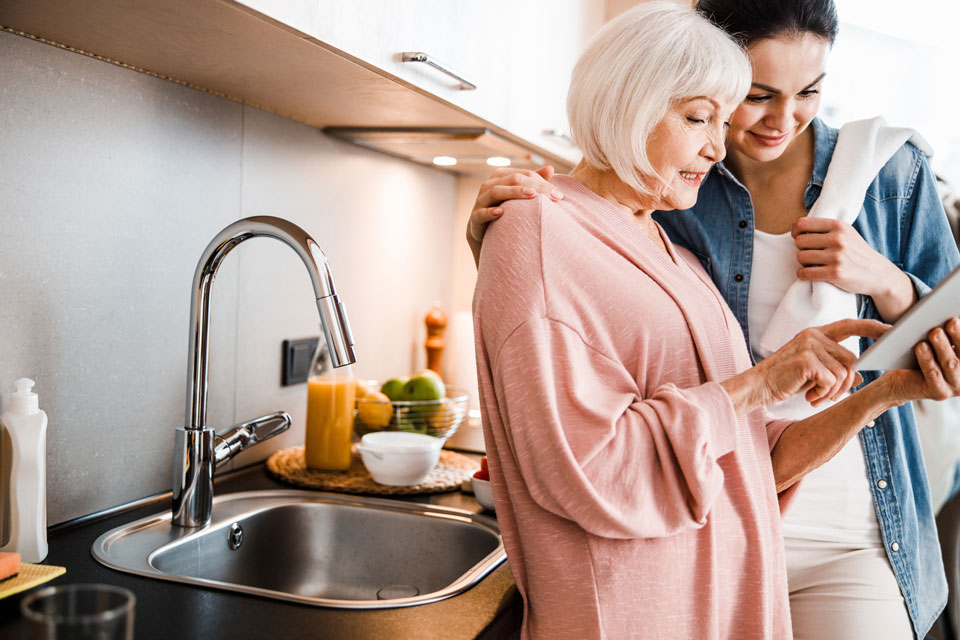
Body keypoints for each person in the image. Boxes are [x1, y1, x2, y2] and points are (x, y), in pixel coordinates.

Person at [467, 1, 960, 637]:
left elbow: (750, 451)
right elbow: (600, 458)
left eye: (810, 91)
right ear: (633, 101)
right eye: (711, 114)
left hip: (783, 557)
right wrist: (500, 247)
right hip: (659, 587)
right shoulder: (571, 217)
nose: (721, 143)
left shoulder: (679, 249)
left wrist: (885, 364)